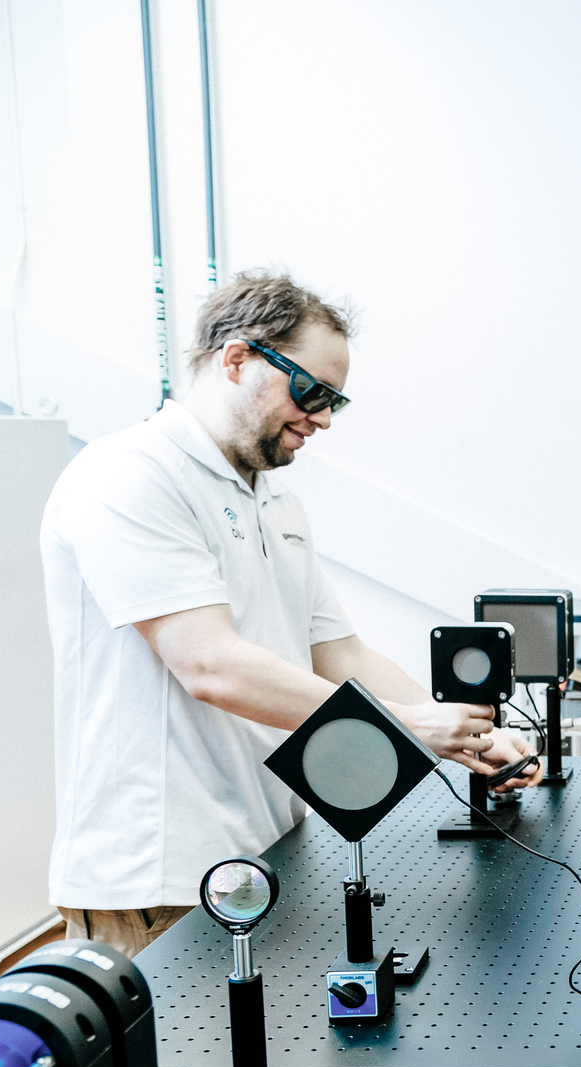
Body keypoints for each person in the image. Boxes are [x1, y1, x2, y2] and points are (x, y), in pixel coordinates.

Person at [41, 270, 540, 956]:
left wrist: (469, 739)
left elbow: (344, 657)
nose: (324, 418)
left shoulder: (275, 502)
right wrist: (412, 725)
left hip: (263, 847)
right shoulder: (130, 474)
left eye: (336, 400)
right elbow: (210, 666)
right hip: (155, 872)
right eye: (311, 391)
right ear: (237, 358)